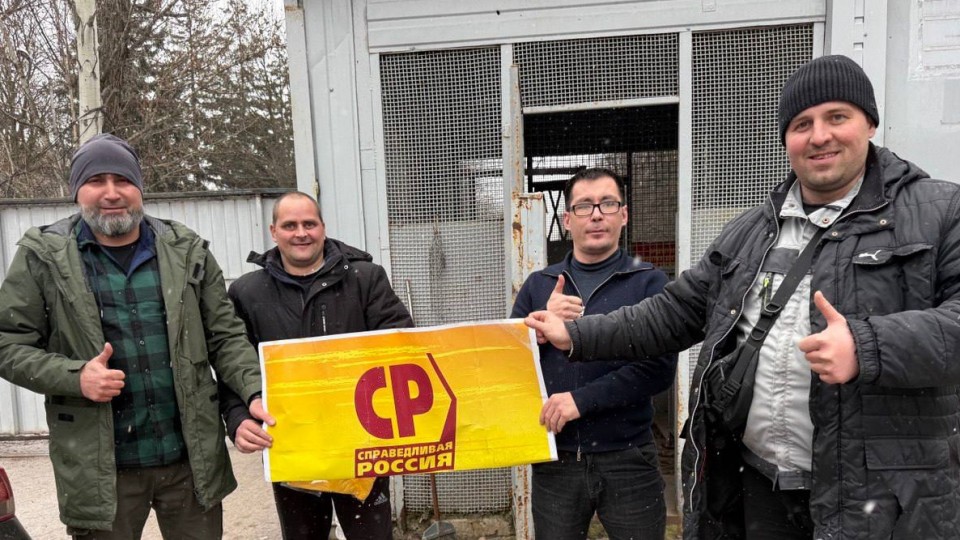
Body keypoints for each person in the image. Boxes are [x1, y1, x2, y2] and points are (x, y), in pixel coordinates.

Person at [526, 55, 960, 539]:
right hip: (759, 485)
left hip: (879, 496)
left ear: (870, 123)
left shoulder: (939, 212)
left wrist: (867, 345)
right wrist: (575, 333)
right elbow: (673, 313)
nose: (819, 136)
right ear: (786, 139)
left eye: (837, 117)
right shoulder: (752, 232)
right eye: (802, 124)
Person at [0, 134, 273, 539]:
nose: (111, 193)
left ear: (140, 188)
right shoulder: (44, 256)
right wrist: (75, 376)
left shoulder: (186, 249)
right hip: (100, 469)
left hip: (188, 461)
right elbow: (8, 344)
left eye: (123, 180)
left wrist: (254, 390)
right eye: (96, 181)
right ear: (76, 191)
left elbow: (226, 336)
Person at [219, 191, 413, 539]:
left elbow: (401, 346)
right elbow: (233, 362)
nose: (301, 233)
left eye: (309, 224)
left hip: (361, 444)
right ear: (273, 231)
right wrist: (237, 418)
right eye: (289, 225)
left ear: (323, 227)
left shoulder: (365, 278)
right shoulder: (247, 292)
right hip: (292, 444)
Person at [512, 168, 676, 539]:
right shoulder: (539, 286)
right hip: (557, 459)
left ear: (624, 214)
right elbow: (509, 366)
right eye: (584, 206)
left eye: (608, 204)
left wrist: (581, 401)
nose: (597, 215)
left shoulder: (648, 282)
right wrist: (540, 331)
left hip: (629, 455)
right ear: (567, 220)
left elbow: (659, 369)